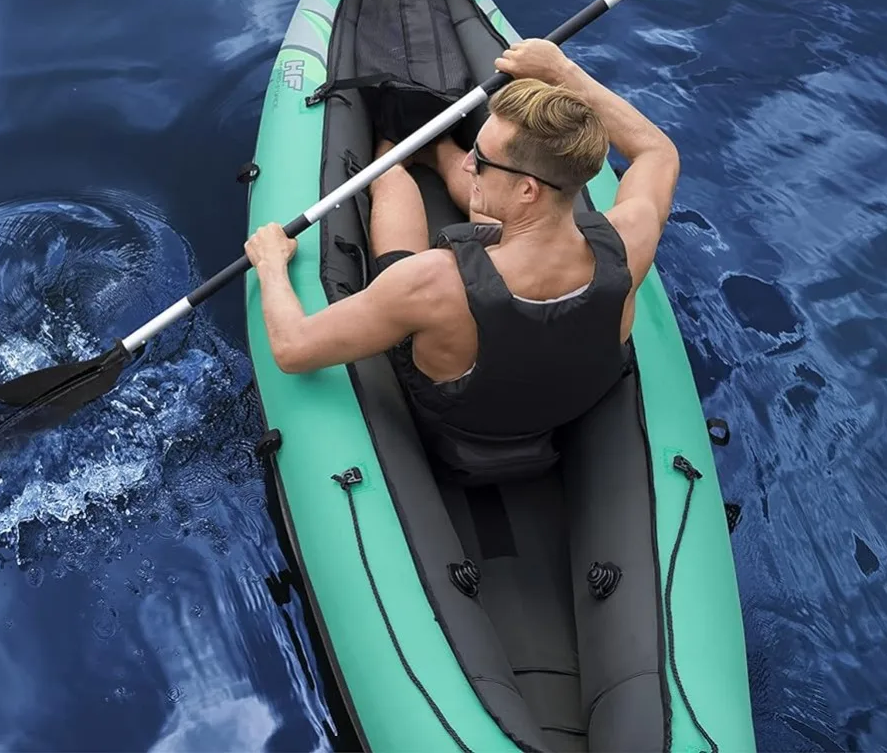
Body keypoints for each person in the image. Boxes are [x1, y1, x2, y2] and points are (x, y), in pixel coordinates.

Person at [244, 38, 681, 482]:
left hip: (461, 424)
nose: (472, 164)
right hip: (567, 402)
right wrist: (562, 69)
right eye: (474, 149)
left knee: (398, 212)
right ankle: (434, 148)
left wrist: (272, 265)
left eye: (482, 159)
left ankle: (391, 159)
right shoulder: (632, 235)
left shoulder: (430, 281)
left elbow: (293, 349)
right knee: (493, 215)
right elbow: (657, 152)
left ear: (529, 187)